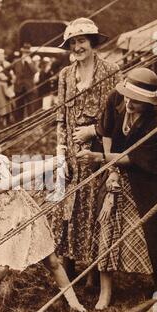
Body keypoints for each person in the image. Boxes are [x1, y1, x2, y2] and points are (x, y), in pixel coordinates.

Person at [0, 138, 86, 312]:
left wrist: (52, 162)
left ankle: (73, 302)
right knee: (1, 268)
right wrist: (52, 165)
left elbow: (23, 167)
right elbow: (19, 179)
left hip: (24, 212)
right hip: (2, 222)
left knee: (52, 261)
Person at [77, 68, 157, 309]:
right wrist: (110, 169)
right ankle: (105, 291)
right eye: (128, 97)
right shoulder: (116, 98)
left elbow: (136, 157)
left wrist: (101, 158)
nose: (130, 103)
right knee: (107, 225)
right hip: (114, 167)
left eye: (137, 102)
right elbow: (106, 132)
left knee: (153, 230)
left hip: (147, 177)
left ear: (150, 104)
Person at [52, 18, 122, 284]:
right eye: (72, 42)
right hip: (71, 153)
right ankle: (68, 268)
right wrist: (60, 152)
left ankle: (95, 271)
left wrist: (92, 131)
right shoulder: (66, 75)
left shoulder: (111, 70)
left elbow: (119, 113)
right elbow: (61, 116)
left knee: (94, 209)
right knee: (66, 209)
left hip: (99, 148)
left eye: (82, 41)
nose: (77, 46)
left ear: (93, 42)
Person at [0, 49, 15, 126]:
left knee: (6, 102)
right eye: (0, 55)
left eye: (2, 54)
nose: (1, 56)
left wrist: (10, 79)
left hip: (6, 85)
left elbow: (12, 74)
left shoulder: (7, 64)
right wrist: (2, 76)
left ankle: (5, 120)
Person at [13, 43, 38, 121]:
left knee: (30, 107)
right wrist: (12, 77)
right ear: (22, 52)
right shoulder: (16, 61)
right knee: (19, 106)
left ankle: (30, 123)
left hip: (29, 87)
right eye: (24, 52)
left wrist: (30, 62)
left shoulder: (32, 62)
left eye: (27, 53)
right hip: (19, 87)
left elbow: (35, 71)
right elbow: (10, 70)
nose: (26, 54)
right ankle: (18, 123)